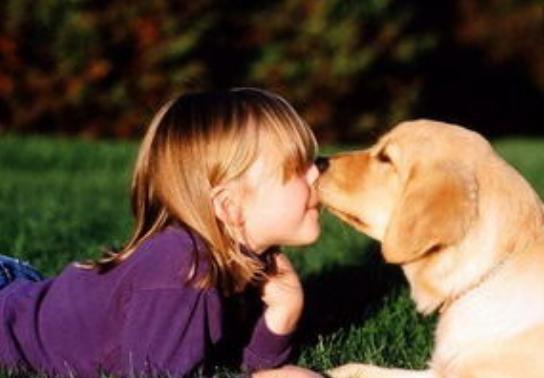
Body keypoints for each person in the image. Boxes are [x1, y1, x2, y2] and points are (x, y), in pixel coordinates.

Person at [0, 88, 324, 377]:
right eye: (297, 167)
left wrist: (283, 312)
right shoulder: (183, 266)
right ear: (229, 207)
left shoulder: (243, 258)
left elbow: (235, 359)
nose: (316, 172)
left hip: (22, 287)